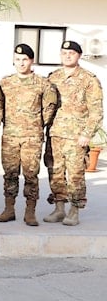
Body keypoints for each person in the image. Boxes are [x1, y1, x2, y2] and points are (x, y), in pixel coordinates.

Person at [0, 44, 57, 226]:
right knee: (10, 174)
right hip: (10, 136)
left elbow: (49, 108)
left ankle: (30, 212)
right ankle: (9, 209)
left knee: (31, 174)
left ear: (31, 61)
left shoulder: (43, 84)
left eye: (25, 59)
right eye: (18, 59)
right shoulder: (5, 82)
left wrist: (38, 125)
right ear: (13, 60)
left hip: (32, 137)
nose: (21, 63)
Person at [45, 40, 103, 226]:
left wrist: (87, 134)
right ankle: (59, 209)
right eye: (64, 53)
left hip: (76, 137)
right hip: (55, 134)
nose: (67, 56)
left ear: (78, 55)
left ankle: (74, 211)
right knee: (55, 172)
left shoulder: (89, 79)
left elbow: (96, 111)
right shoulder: (52, 77)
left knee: (76, 175)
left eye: (71, 53)